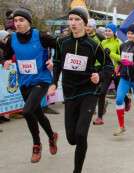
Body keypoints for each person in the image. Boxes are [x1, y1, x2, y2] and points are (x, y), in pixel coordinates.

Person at [48, 7, 113, 173]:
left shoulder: (93, 45)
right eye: (71, 19)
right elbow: (56, 63)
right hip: (70, 92)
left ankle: (77, 170)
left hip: (88, 92)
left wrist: (99, 75)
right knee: (71, 138)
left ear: (85, 23)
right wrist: (54, 82)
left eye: (77, 20)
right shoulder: (62, 42)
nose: (74, 23)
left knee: (81, 134)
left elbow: (108, 66)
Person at [1, 8, 58, 163]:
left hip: (41, 80)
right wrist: (5, 60)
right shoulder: (12, 39)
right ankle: (52, 136)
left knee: (27, 111)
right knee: (37, 113)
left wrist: (54, 61)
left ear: (28, 22)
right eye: (15, 21)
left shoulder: (41, 36)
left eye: (21, 20)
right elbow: (5, 54)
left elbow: (59, 47)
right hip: (24, 82)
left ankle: (36, 144)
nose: (17, 23)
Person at [114, 24, 134, 136]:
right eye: (128, 33)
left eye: (132, 33)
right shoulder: (123, 45)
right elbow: (122, 59)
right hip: (124, 78)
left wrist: (132, 63)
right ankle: (121, 126)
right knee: (118, 99)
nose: (130, 35)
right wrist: (119, 65)